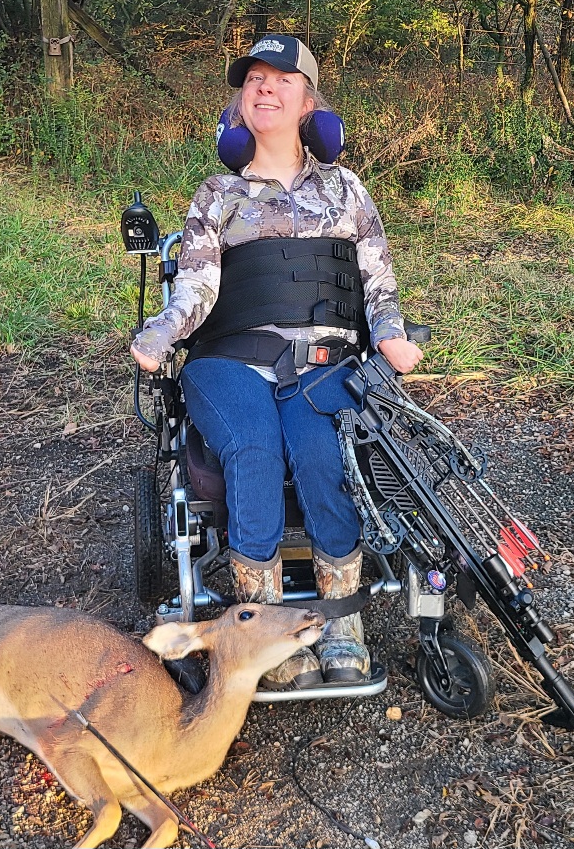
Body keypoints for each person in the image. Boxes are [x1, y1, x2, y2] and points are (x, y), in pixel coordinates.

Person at [130, 35, 423, 690]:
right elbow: (196, 288)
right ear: (240, 103)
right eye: (253, 79)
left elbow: (377, 283)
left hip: (322, 360)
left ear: (307, 103)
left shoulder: (345, 190)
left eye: (282, 78)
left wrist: (391, 335)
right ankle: (259, 626)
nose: (264, 86)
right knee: (254, 450)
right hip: (230, 358)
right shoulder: (217, 195)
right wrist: (159, 334)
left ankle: (341, 620)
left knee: (321, 454)